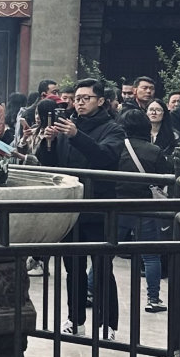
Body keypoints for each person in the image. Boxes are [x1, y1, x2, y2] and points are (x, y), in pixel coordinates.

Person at [56, 79, 125, 335]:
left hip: (99, 207)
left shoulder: (113, 129)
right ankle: (76, 320)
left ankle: (107, 322)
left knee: (102, 267)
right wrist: (49, 142)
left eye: (86, 97)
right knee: (73, 268)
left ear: (100, 101)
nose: (80, 102)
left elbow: (104, 157)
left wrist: (76, 136)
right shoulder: (67, 127)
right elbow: (55, 164)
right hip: (71, 208)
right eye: (77, 98)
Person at [119, 108, 170, 313]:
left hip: (117, 204)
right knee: (150, 255)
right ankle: (153, 299)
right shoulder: (154, 151)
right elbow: (165, 176)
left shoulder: (116, 148)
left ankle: (89, 289)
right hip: (146, 205)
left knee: (105, 251)